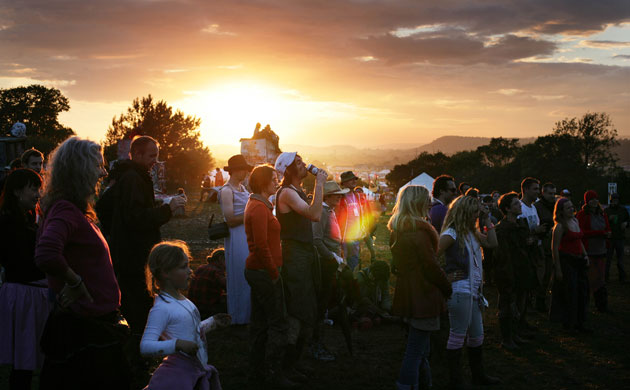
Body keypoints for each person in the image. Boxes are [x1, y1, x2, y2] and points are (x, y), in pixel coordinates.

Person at [34, 137, 132, 389]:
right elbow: (45, 252)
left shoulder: (71, 209)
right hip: (85, 330)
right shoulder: (65, 210)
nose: (103, 172)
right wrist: (75, 282)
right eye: (98, 166)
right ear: (80, 169)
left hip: (93, 322)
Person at [99, 136, 185, 338]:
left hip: (129, 249)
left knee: (137, 300)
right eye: (151, 156)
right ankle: (139, 352)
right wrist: (167, 209)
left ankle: (139, 348)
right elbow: (136, 218)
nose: (155, 161)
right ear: (136, 153)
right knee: (138, 303)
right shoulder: (132, 178)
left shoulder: (129, 176)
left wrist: (115, 229)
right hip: (134, 253)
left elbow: (106, 206)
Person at [141, 240, 231, 390]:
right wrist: (177, 344)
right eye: (183, 267)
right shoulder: (162, 309)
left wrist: (212, 322)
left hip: (195, 371)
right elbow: (146, 347)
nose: (190, 271)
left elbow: (190, 330)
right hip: (180, 375)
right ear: (166, 272)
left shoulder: (183, 300)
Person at [388, 185, 451, 390]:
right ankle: (406, 384)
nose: (430, 203)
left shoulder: (397, 230)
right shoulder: (420, 232)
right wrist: (447, 287)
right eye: (427, 199)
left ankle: (423, 383)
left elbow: (396, 266)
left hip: (407, 292)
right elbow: (431, 266)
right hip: (423, 295)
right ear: (418, 203)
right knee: (416, 350)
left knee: (420, 348)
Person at [274, 152, 327, 379]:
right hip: (294, 254)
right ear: (287, 171)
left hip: (304, 253)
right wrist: (320, 183)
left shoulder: (297, 192)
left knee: (308, 309)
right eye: (297, 163)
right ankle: (284, 369)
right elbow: (315, 215)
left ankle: (294, 363)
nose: (303, 164)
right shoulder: (286, 193)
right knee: (297, 311)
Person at [243, 164, 297, 388]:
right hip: (264, 272)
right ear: (264, 182)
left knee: (261, 324)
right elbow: (261, 246)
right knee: (278, 324)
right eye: (274, 179)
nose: (277, 181)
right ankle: (274, 374)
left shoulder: (261, 205)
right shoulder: (257, 208)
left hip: (261, 271)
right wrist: (274, 273)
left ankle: (257, 371)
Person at [438, 195, 500, 388]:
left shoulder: (470, 233)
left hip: (473, 291)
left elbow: (492, 243)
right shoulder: (452, 233)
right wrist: (444, 277)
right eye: (474, 212)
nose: (476, 215)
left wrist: (487, 220)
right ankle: (455, 381)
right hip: (460, 290)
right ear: (465, 212)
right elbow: (431, 255)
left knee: (477, 335)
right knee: (457, 335)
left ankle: (478, 376)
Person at [0, 169, 53, 390]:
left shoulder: (26, 220)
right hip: (23, 295)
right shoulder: (8, 223)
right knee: (24, 359)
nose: (38, 194)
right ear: (16, 191)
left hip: (30, 293)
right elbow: (26, 262)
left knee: (28, 359)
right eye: (33, 188)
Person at [312, 181, 348, 362]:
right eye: (336, 194)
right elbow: (316, 240)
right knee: (321, 304)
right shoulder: (323, 212)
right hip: (325, 265)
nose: (340, 197)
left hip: (332, 263)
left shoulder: (330, 211)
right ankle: (316, 345)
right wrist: (332, 257)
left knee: (326, 302)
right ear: (327, 197)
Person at [494, 192, 535, 350]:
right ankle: (507, 339)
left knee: (519, 304)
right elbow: (502, 256)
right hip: (508, 272)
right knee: (507, 306)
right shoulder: (502, 229)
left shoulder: (519, 225)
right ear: (507, 208)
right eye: (516, 204)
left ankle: (515, 334)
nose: (520, 206)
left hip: (521, 270)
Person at [218, 154, 253, 325]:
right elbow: (230, 219)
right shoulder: (226, 191)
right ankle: (238, 316)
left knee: (247, 272)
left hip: (246, 234)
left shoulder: (243, 189)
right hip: (236, 235)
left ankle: (247, 313)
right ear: (235, 171)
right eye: (243, 169)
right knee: (239, 272)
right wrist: (251, 215)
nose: (246, 173)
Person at [549, 198, 590, 332]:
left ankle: (580, 322)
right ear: (561, 211)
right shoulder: (560, 226)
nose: (571, 209)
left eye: (572, 207)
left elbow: (579, 241)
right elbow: (554, 248)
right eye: (568, 208)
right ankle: (568, 323)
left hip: (578, 260)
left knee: (582, 292)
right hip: (567, 261)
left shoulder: (575, 221)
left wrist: (585, 255)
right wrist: (558, 269)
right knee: (569, 294)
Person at [517, 177, 546, 332]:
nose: (538, 192)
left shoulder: (533, 208)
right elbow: (521, 233)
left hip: (534, 250)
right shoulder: (520, 207)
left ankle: (524, 318)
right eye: (535, 189)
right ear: (526, 189)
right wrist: (536, 231)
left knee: (530, 287)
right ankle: (519, 322)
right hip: (525, 253)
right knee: (523, 289)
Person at [576, 190, 611, 313]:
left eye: (596, 199)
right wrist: (600, 233)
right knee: (589, 279)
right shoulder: (581, 215)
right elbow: (581, 232)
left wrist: (607, 235)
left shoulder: (602, 214)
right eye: (591, 199)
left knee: (600, 279)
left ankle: (601, 304)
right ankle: (584, 305)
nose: (594, 201)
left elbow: (607, 227)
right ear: (587, 201)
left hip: (601, 250)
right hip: (588, 251)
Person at [535, 182, 557, 312]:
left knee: (549, 275)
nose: (552, 196)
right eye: (550, 193)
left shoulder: (555, 206)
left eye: (554, 193)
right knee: (542, 275)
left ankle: (542, 299)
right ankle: (539, 300)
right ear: (543, 193)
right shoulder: (537, 207)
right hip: (541, 245)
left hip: (552, 245)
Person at [187, 248, 227, 320]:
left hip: (194, 307)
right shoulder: (217, 271)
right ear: (221, 259)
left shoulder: (201, 267)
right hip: (208, 309)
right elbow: (229, 287)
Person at [337, 171, 363, 270]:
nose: (353, 181)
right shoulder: (340, 197)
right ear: (344, 183)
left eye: (354, 179)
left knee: (354, 262)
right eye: (350, 179)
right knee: (343, 263)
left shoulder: (357, 195)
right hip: (344, 236)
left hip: (356, 235)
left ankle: (353, 282)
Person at [604, 193, 628, 283]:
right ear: (611, 200)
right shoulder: (606, 211)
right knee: (608, 259)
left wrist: (626, 223)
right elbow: (602, 223)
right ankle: (605, 278)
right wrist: (608, 219)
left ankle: (622, 277)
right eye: (613, 200)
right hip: (610, 238)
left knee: (620, 260)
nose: (615, 201)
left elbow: (628, 220)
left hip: (620, 238)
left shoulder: (623, 210)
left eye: (616, 200)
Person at [355, 187, 377, 263]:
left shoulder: (365, 202)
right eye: (358, 193)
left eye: (360, 193)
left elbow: (369, 213)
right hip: (357, 229)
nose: (360, 195)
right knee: (359, 247)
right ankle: (360, 261)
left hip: (365, 228)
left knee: (369, 245)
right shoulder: (354, 203)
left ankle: (372, 259)